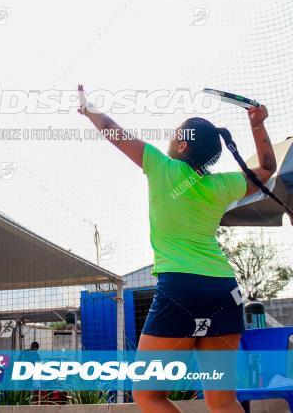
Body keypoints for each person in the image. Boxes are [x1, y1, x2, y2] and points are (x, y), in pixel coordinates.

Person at [77, 85, 279, 413]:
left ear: (182, 144)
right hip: (224, 290)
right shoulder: (222, 184)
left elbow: (113, 131)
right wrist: (257, 124)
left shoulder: (160, 166)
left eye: (174, 136)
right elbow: (267, 170)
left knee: (148, 394)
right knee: (224, 400)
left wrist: (89, 110)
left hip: (181, 288)